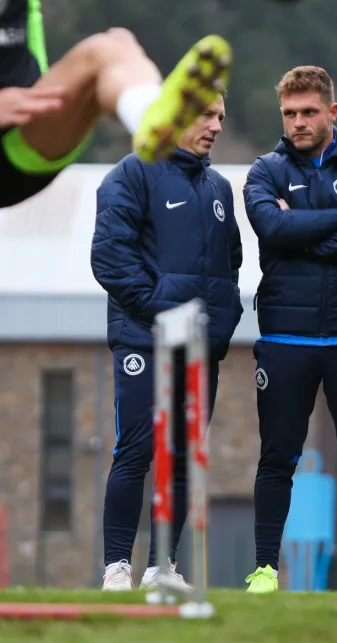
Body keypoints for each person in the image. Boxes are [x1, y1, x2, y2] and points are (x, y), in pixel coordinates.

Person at [0, 0, 232, 602]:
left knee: (111, 45)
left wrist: (41, 98)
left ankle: (148, 118)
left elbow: (24, 44)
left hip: (18, 125)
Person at [91, 93, 242, 591]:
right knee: (135, 451)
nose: (217, 126)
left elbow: (230, 265)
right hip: (143, 341)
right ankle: (117, 568)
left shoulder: (220, 188)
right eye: (206, 115)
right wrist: (165, 313)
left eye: (221, 116)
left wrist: (220, 324)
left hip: (199, 349)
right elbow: (111, 260)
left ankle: (162, 568)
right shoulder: (131, 174)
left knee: (183, 456)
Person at [241, 66, 337, 594]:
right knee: (277, 457)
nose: (298, 122)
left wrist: (302, 228)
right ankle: (266, 570)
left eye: (308, 112)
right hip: (286, 336)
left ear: (332, 112)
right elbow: (270, 227)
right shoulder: (265, 171)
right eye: (290, 114)